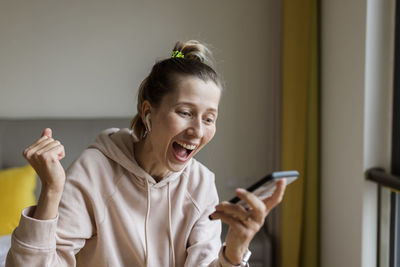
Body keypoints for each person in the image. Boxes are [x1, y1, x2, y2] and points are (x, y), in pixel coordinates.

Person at [6, 40, 286, 267]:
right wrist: (52, 190)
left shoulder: (200, 183)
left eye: (209, 118)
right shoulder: (95, 171)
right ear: (148, 112)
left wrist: (234, 254)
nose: (198, 131)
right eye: (186, 113)